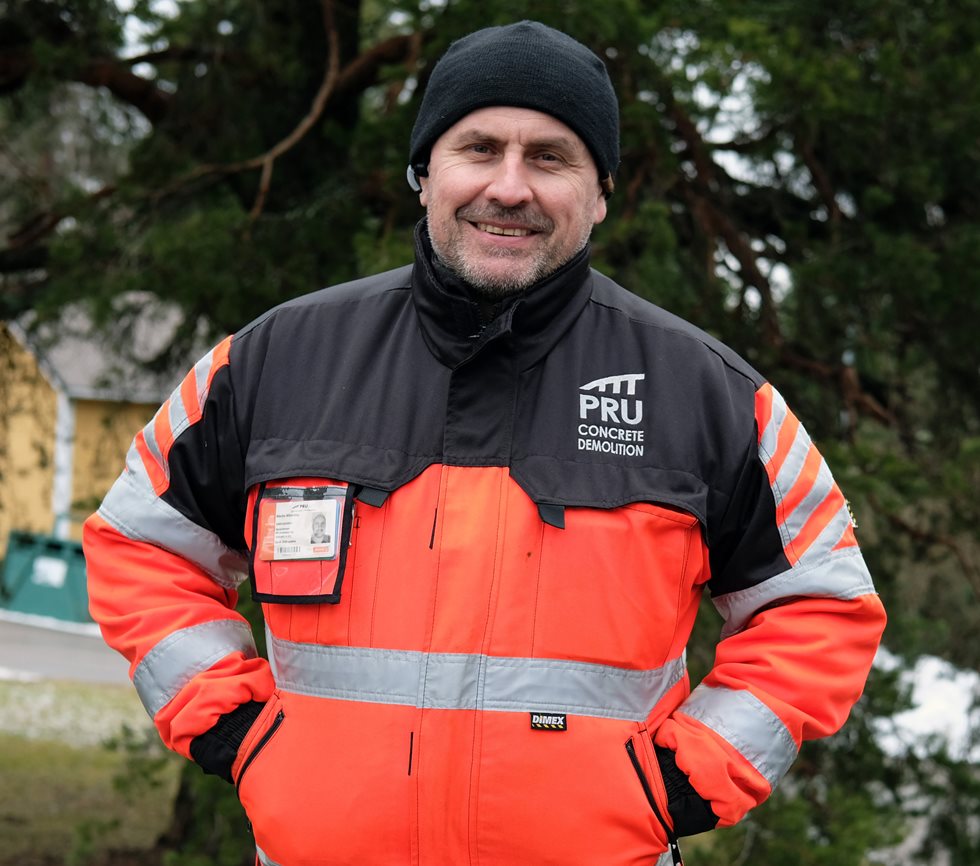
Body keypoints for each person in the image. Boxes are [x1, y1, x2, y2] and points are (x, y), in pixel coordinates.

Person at [83, 20, 887, 866]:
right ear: (424, 173)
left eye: (550, 157)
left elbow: (819, 608)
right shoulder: (272, 362)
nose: (510, 187)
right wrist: (235, 728)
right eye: (479, 148)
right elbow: (142, 548)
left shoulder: (711, 394)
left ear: (602, 191)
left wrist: (683, 781)